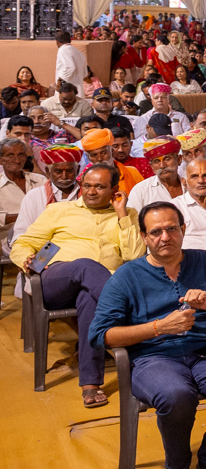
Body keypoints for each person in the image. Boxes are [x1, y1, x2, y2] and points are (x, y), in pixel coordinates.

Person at [89, 201, 206, 469]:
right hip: (153, 358)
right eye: (156, 232)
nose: (165, 237)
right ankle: (177, 464)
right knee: (175, 395)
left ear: (183, 230)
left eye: (171, 229)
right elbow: (101, 335)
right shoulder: (126, 276)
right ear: (144, 237)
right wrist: (159, 327)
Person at [10, 164, 143, 407]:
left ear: (115, 189)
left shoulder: (128, 214)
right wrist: (26, 260)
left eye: (100, 187)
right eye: (87, 186)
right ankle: (135, 323)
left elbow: (134, 256)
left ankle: (90, 383)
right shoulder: (58, 210)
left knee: (89, 299)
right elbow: (23, 243)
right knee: (86, 265)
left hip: (99, 287)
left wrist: (122, 214)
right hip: (58, 280)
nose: (91, 191)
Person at [0, 138, 45, 247]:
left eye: (21, 155)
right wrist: (26, 215)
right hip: (9, 241)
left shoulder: (41, 180)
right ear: (1, 160)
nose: (17, 160)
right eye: (10, 155)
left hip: (44, 236)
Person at [127, 137, 186, 215]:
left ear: (179, 159)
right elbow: (133, 222)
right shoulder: (140, 191)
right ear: (151, 166)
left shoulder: (191, 185)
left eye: (167, 159)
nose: (162, 165)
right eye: (157, 161)